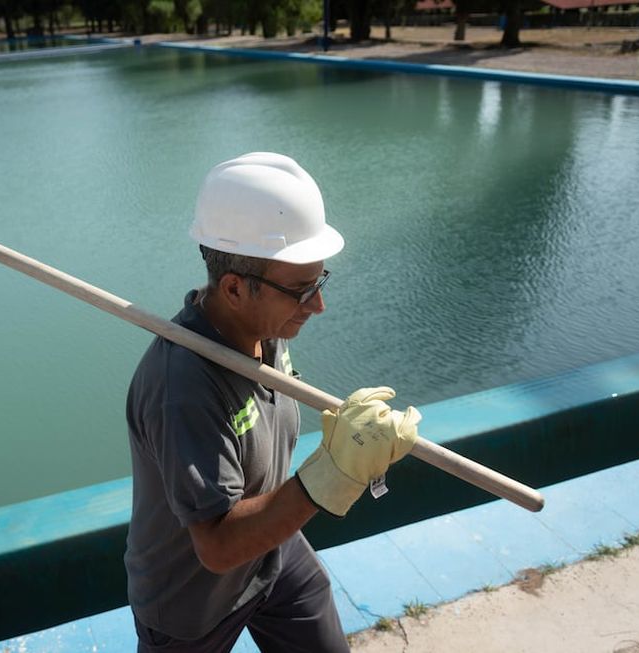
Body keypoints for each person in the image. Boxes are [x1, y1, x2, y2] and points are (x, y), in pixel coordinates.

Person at [124, 152, 421, 652]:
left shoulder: (264, 327)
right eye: (304, 290)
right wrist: (333, 471)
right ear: (236, 288)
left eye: (319, 282)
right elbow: (217, 547)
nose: (319, 305)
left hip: (271, 551)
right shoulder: (182, 387)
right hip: (191, 598)